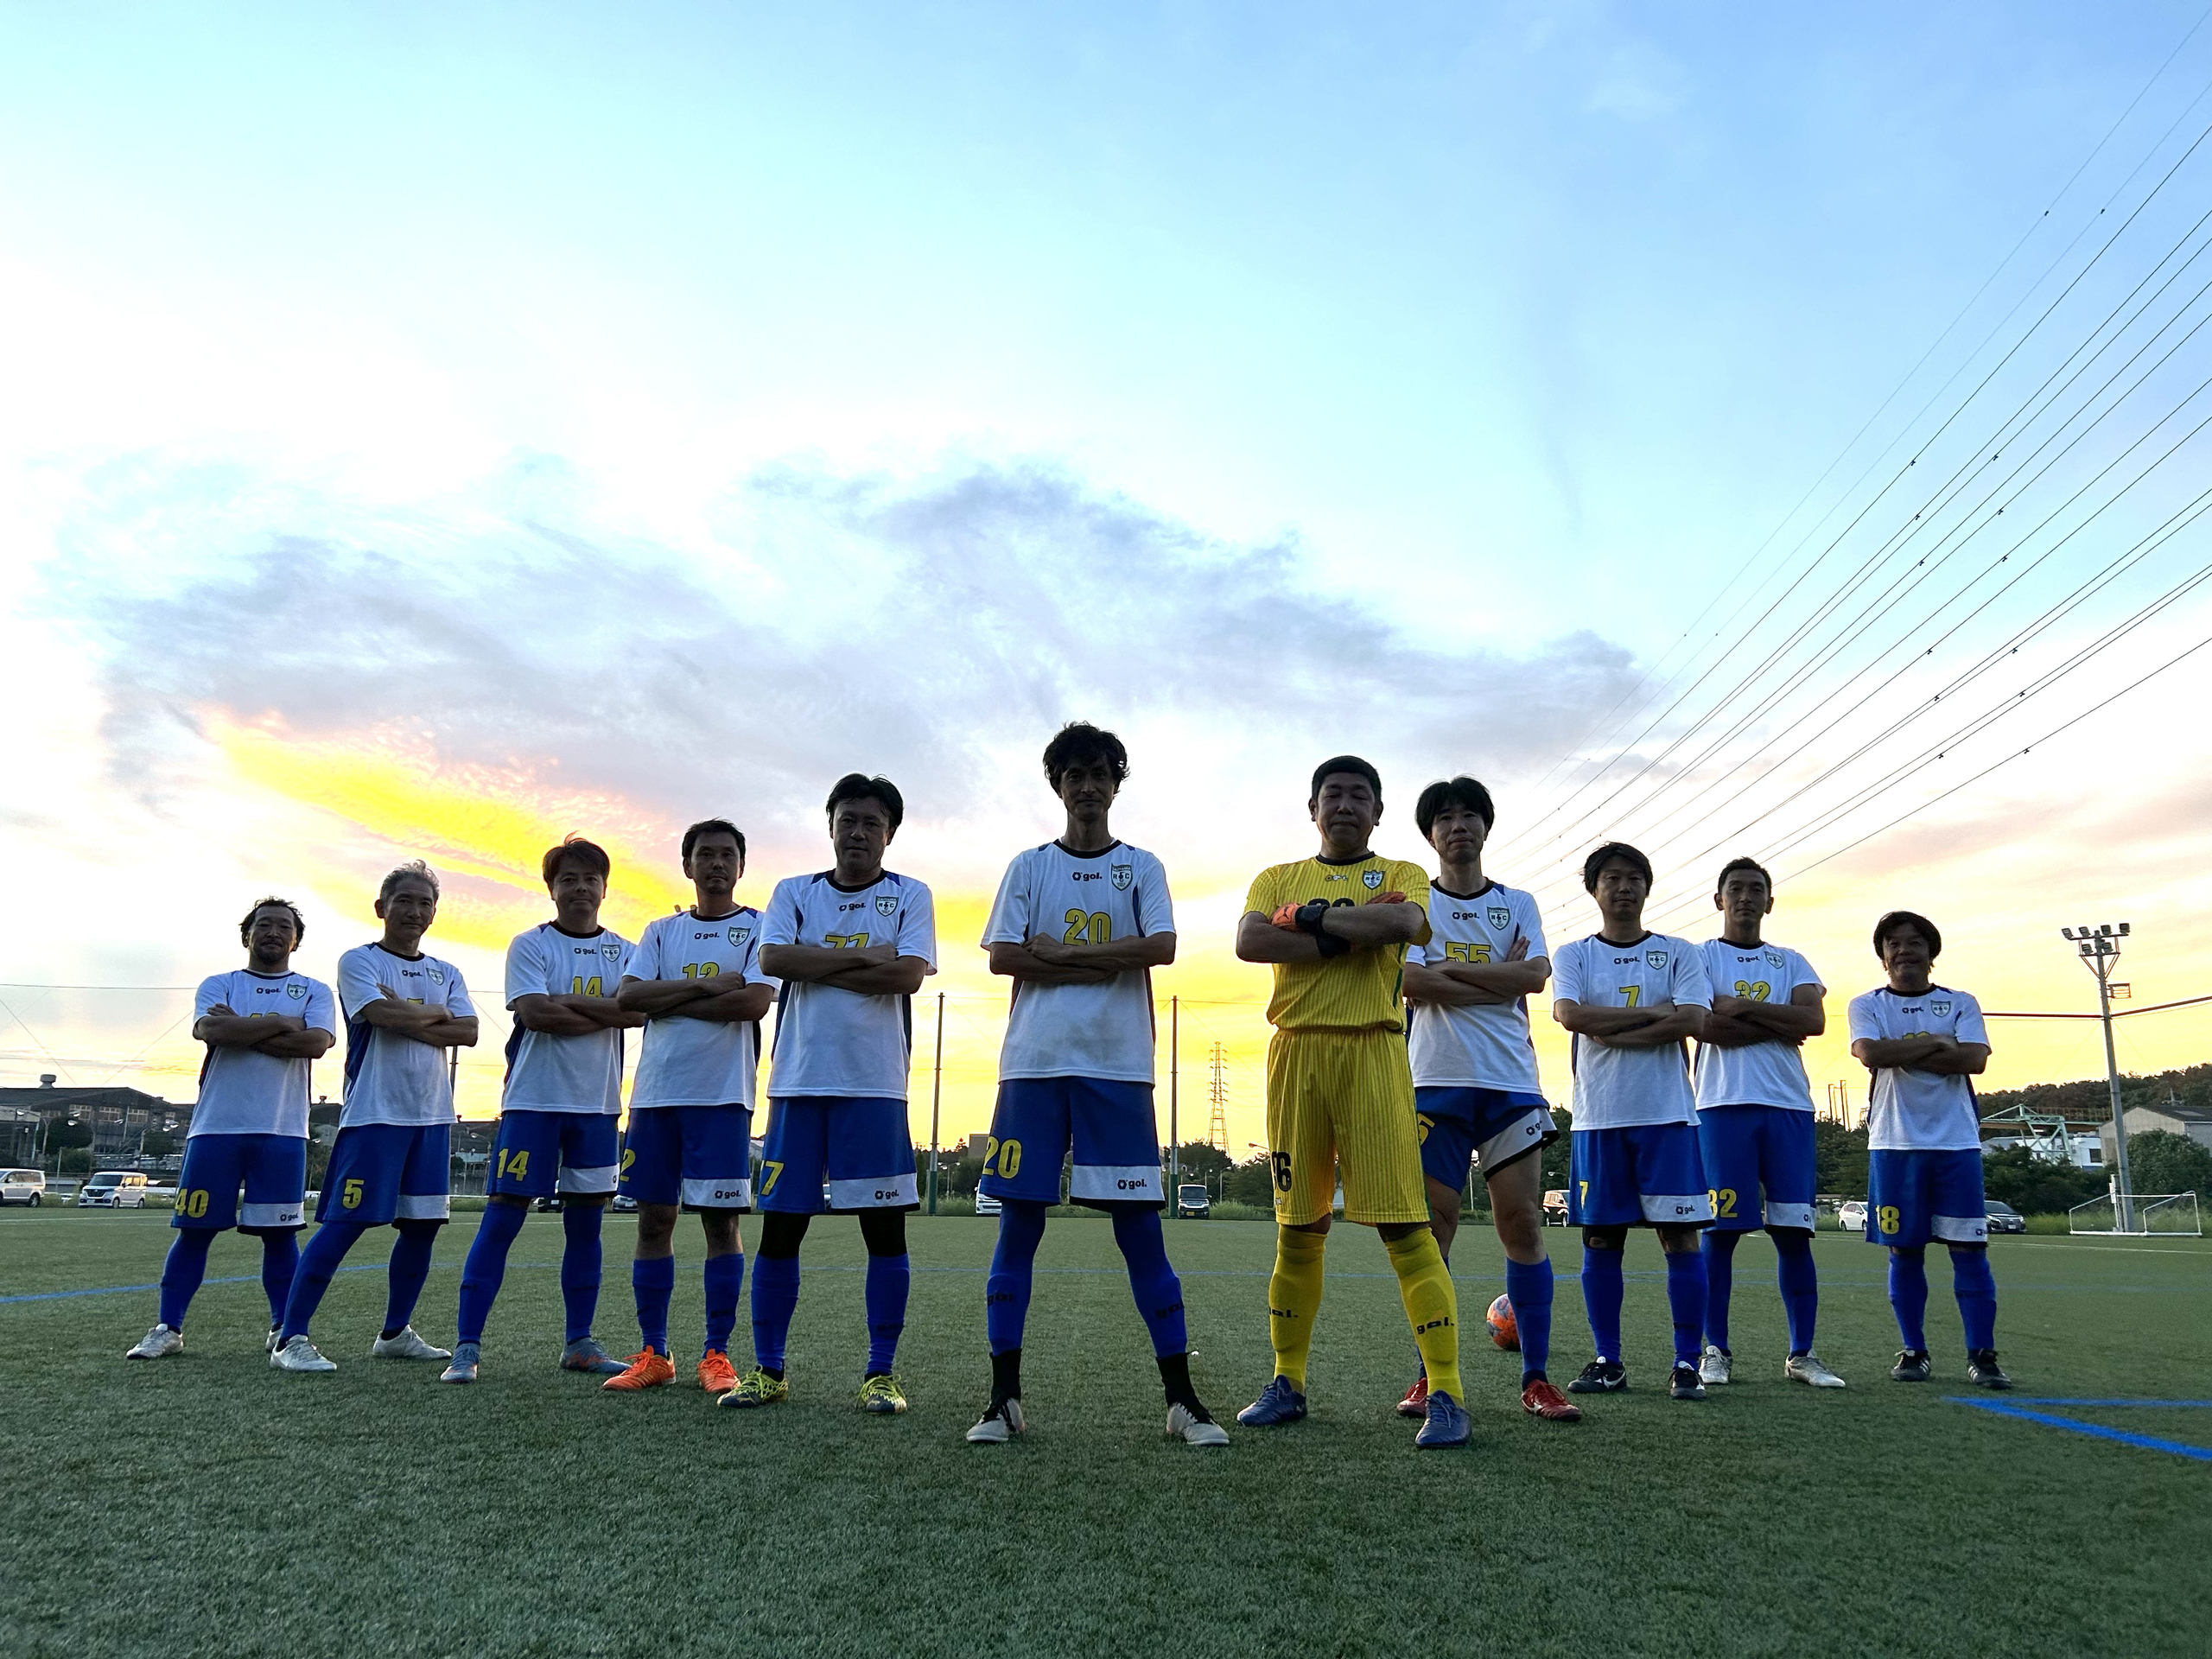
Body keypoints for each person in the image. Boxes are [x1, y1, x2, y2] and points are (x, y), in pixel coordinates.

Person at [967, 722, 1226, 1447]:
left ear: (1117, 784)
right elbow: (1004, 958)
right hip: (1033, 1066)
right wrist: (1108, 958)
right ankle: (1002, 1399)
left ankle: (1182, 1401)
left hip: (1118, 1067)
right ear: (1058, 785)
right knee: (1019, 1224)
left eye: (1100, 773)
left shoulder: (1141, 866)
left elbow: (1161, 947)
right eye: (1075, 774)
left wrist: (1061, 953)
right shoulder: (1028, 867)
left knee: (1140, 1231)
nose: (1088, 786)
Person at [1233, 755, 1470, 1450]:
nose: (1344, 804)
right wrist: (1350, 930)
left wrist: (1309, 923)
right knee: (1297, 1228)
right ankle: (1287, 1381)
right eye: (1331, 794)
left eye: (1358, 795)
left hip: (1374, 1051)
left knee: (1407, 1229)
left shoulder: (1404, 872)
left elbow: (1407, 924)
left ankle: (1447, 1392)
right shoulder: (1275, 876)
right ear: (1312, 809)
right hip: (1297, 1054)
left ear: (1377, 811)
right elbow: (1251, 940)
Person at [721, 773, 935, 1416]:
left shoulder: (910, 894)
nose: (858, 833)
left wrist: (822, 959)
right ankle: (769, 1370)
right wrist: (869, 959)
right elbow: (775, 962)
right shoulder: (794, 891)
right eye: (848, 820)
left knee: (884, 1231)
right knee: (782, 1228)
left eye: (872, 823)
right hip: (798, 1083)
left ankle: (880, 1374)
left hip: (875, 1086)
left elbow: (908, 974)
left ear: (889, 834)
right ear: (831, 827)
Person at [1397, 776, 1579, 1424]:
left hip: (1511, 1086)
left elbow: (1534, 975)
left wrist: (1449, 973)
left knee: (1522, 1223)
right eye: (1445, 818)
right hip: (1434, 1083)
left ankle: (1537, 1379)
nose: (1458, 827)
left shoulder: (1517, 902)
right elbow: (1408, 980)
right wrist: (1495, 980)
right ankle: (1431, 1375)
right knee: (1434, 1230)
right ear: (1430, 834)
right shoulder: (1415, 905)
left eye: (1469, 815)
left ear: (1485, 827)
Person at [441, 837, 642, 1384]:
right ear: (552, 889)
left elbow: (637, 1013)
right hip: (533, 1103)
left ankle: (580, 1343)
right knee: (503, 1217)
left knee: (587, 1226)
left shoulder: (627, 951)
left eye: (590, 879)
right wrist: (602, 1011)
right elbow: (535, 1013)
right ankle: (466, 1347)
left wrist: (569, 1004)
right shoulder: (529, 945)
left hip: (597, 1108)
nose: (580, 888)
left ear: (605, 888)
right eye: (568, 879)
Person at [270, 862, 478, 1372]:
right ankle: (290, 1339)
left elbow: (469, 1032)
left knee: (421, 1229)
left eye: (425, 903)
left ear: (435, 913)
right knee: (344, 1225)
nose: (415, 911)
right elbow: (381, 1016)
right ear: (382, 907)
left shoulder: (447, 972)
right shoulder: (359, 960)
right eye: (404, 900)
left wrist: (410, 1015)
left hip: (432, 1118)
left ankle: (395, 1333)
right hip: (374, 1115)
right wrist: (436, 1014)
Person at [600, 819, 774, 1395]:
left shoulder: (758, 927)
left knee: (721, 1223)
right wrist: (706, 987)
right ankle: (655, 1354)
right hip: (655, 1096)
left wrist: (669, 998)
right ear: (687, 865)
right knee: (654, 1221)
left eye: (727, 854)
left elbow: (751, 1002)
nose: (716, 864)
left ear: (741, 866)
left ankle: (716, 1354)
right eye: (705, 854)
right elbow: (629, 998)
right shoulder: (660, 931)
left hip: (721, 1097)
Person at [131, 898, 334, 1361]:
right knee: (194, 1231)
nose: (273, 932)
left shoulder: (313, 990)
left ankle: (285, 1332)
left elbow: (315, 1043)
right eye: (264, 924)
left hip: (283, 1131)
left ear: (296, 940)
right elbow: (211, 1032)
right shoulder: (219, 983)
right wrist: (282, 1024)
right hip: (215, 1129)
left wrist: (245, 1029)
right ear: (247, 934)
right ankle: (168, 1328)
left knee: (280, 1235)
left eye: (284, 927)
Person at [1551, 842, 1715, 1402]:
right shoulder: (1574, 954)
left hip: (1668, 1116)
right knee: (1601, 1239)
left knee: (1681, 1237)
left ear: (1647, 887)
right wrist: (1652, 1013)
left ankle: (1687, 1363)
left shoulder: (1678, 952)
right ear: (1593, 890)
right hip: (1599, 1119)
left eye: (1634, 878)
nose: (1623, 887)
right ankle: (1608, 1360)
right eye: (1612, 878)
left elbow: (1694, 1020)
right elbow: (1569, 1014)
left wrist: (1616, 1030)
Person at [1692, 857, 1844, 1389]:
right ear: (1719, 900)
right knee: (1720, 1235)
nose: (1746, 897)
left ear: (1770, 902)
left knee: (1794, 1234)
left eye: (1756, 889)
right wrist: (1776, 1023)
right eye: (1735, 888)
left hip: (1789, 1108)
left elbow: (1813, 1021)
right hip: (1720, 1107)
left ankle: (1802, 1354)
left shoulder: (1791, 961)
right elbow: (1705, 1025)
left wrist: (1740, 1006)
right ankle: (1715, 1350)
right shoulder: (1698, 957)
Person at [1847, 911, 2007, 1389]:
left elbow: (1974, 1059)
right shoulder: (1866, 1004)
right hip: (1894, 1143)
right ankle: (1914, 1350)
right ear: (1883, 956)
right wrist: (1938, 1044)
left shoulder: (1960, 1001)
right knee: (1904, 1251)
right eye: (1893, 943)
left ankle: (1982, 1355)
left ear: (1931, 952)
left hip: (1956, 1143)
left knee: (1969, 1250)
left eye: (1915, 942)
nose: (1904, 950)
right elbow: (1871, 1054)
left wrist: (1904, 1050)